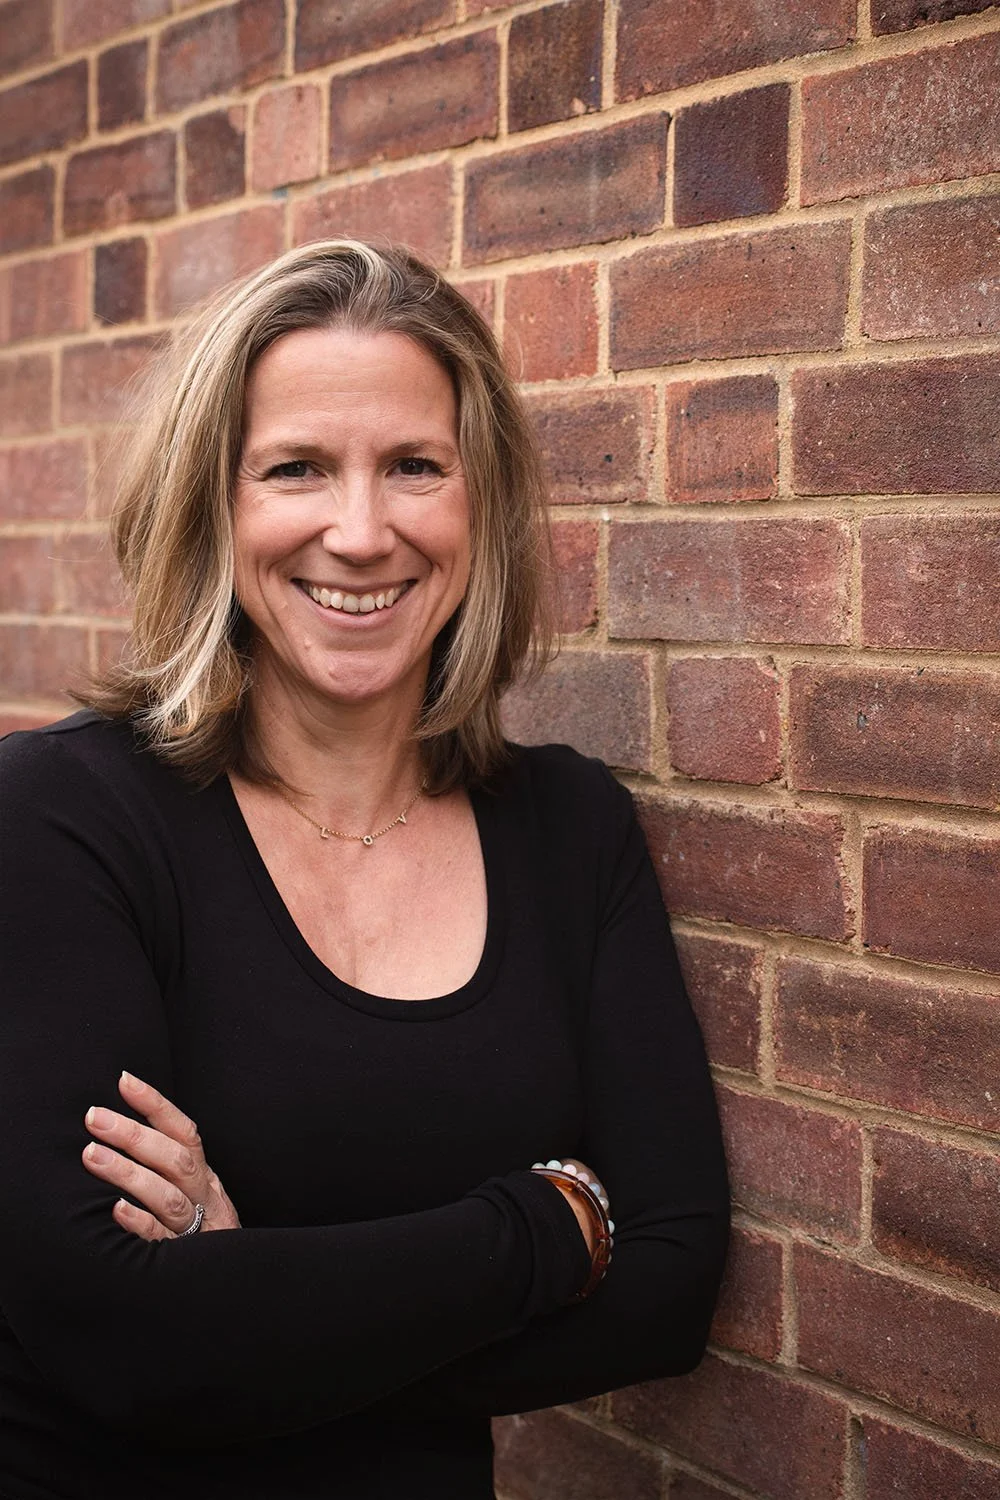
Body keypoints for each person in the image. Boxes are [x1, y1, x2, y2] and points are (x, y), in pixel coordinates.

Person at [0, 240, 729, 1500]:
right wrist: (552, 1221)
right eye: (295, 469)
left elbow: (667, 1284)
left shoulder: (569, 829)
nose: (359, 530)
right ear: (211, 508)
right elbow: (125, 1341)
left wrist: (253, 1309)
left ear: (477, 502)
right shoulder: (63, 817)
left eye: (413, 468)